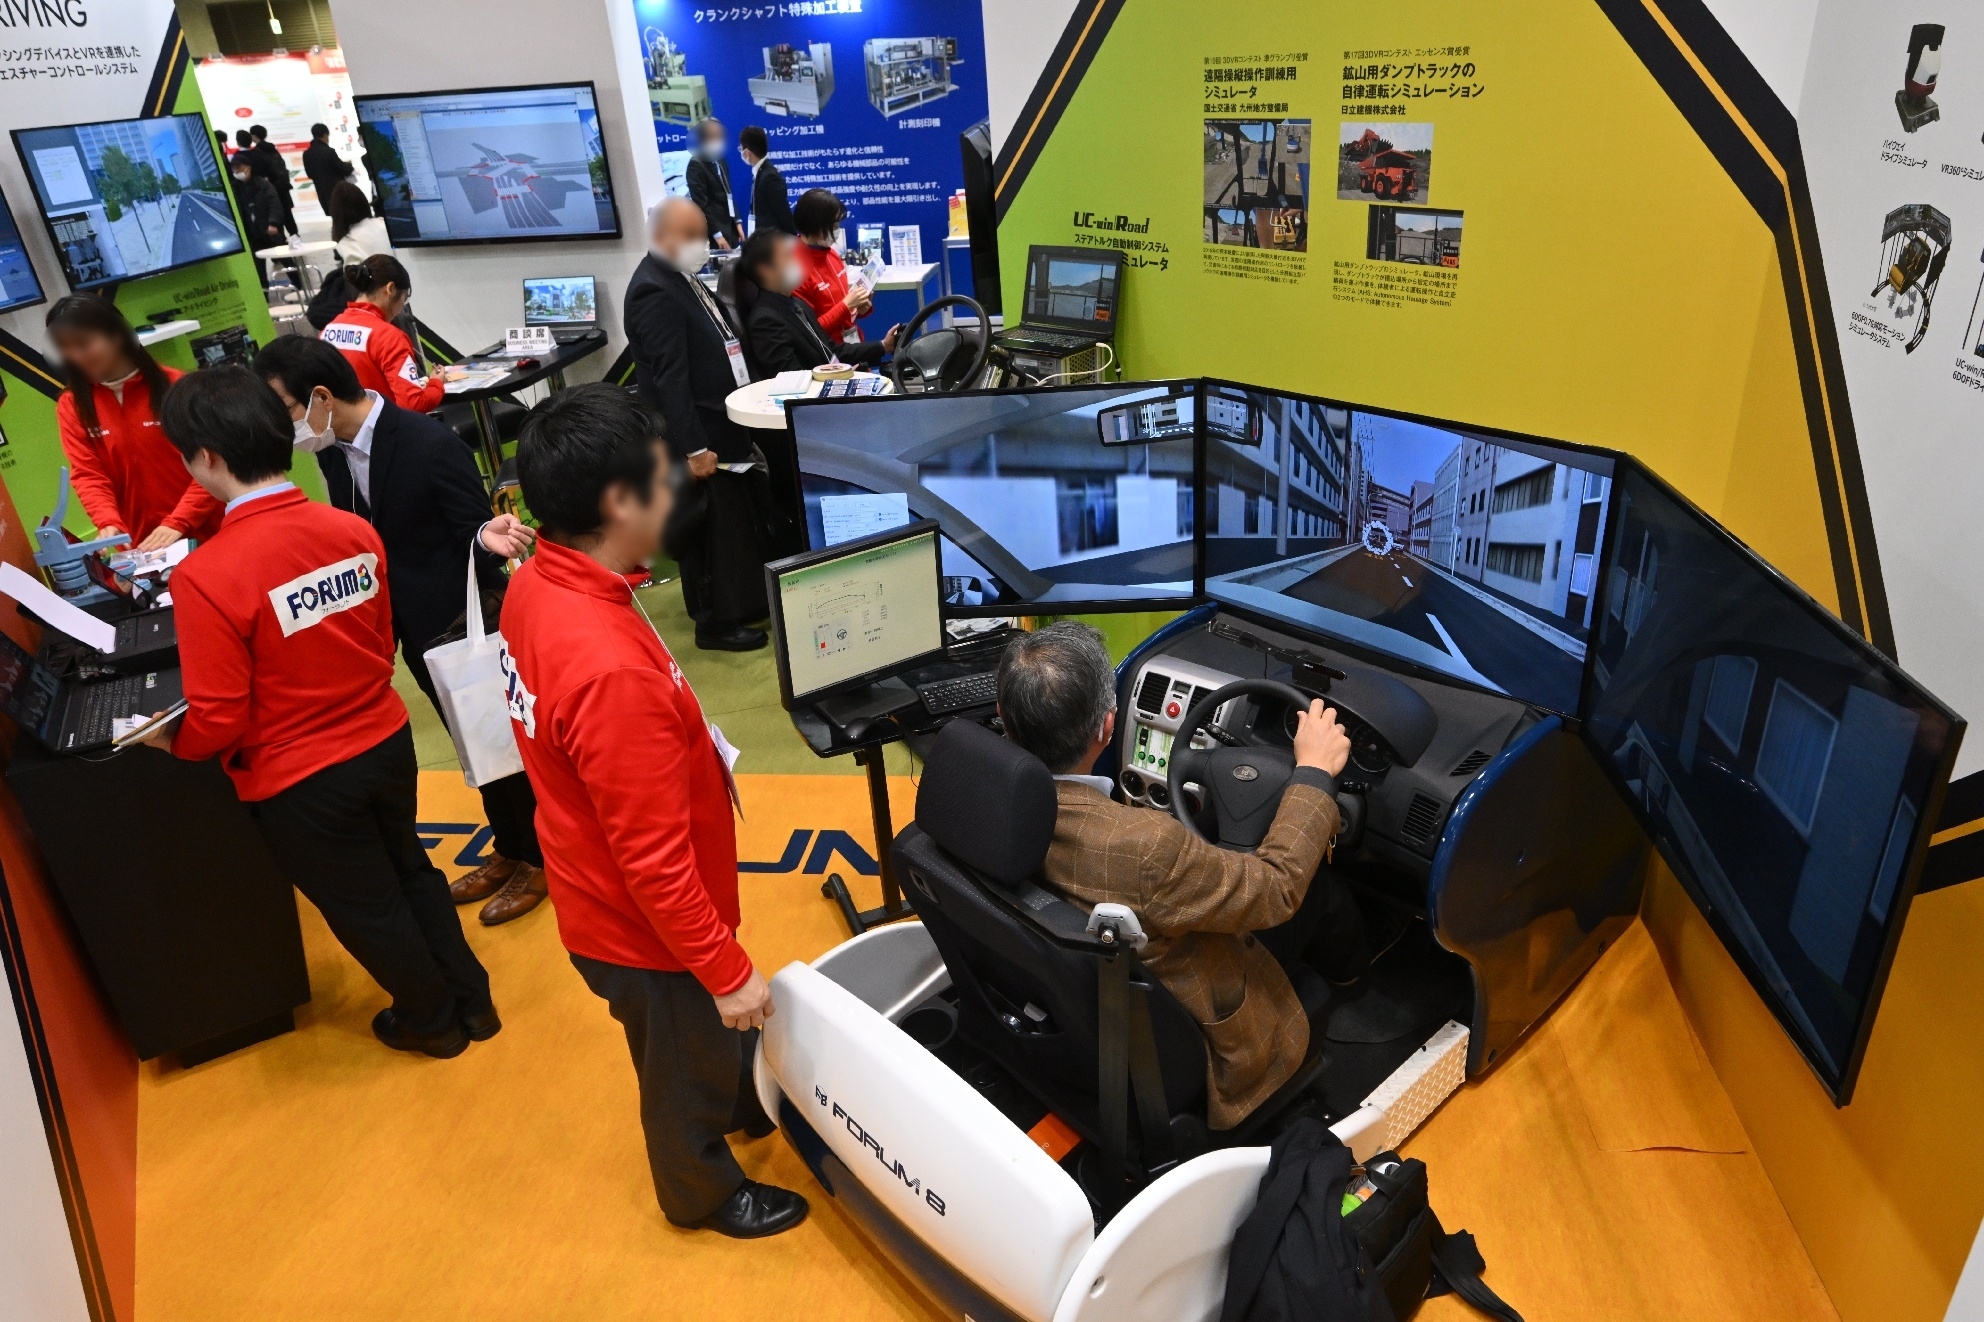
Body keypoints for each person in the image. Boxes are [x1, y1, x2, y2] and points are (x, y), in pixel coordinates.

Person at [504, 382, 806, 1239]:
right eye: (664, 475)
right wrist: (725, 969)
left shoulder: (541, 583)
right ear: (617, 502)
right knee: (681, 1066)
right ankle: (700, 1189)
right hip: (641, 930)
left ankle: (740, 1096)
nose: (677, 487)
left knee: (706, 1043)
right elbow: (655, 865)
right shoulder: (608, 672)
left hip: (596, 877)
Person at [145, 367, 496, 1059]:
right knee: (411, 870)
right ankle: (473, 1002)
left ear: (206, 458)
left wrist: (171, 744)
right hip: (385, 738)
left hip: (299, 776)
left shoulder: (205, 576)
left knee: (366, 904)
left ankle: (431, 1022)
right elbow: (379, 639)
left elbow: (218, 714)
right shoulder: (351, 530)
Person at [996, 622, 1368, 1131]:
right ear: (1109, 726)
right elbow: (1278, 887)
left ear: (1003, 715)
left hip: (1069, 1012)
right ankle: (1354, 981)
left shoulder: (982, 796)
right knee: (1318, 887)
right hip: (1193, 1038)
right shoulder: (1148, 847)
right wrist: (1313, 775)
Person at [253, 335, 549, 925]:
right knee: (473, 749)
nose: (284, 428)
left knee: (504, 747)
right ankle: (512, 846)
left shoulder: (427, 443)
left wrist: (486, 538)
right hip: (413, 632)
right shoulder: (332, 452)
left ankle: (541, 859)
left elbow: (475, 535)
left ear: (320, 397)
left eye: (284, 410)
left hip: (464, 624)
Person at [624, 199, 773, 652]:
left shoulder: (678, 277)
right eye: (690, 236)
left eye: (702, 235)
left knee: (730, 527)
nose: (701, 245)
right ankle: (714, 624)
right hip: (695, 434)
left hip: (720, 422)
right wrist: (692, 448)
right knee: (706, 532)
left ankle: (741, 604)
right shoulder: (653, 290)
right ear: (662, 236)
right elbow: (669, 379)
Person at [47, 295, 220, 550]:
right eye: (64, 348)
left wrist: (179, 521)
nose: (74, 356)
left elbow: (214, 461)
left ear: (116, 336)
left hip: (209, 533)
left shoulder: (178, 386)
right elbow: (88, 474)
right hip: (141, 548)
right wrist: (107, 522)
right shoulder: (72, 405)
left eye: (83, 344)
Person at [734, 227, 896, 377]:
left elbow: (832, 350)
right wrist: (836, 380)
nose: (796, 260)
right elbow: (791, 379)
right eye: (788, 255)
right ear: (765, 270)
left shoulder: (797, 304)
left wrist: (884, 346)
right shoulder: (765, 321)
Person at [320, 255, 449, 414]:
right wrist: (436, 384)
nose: (401, 308)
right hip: (382, 425)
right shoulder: (389, 337)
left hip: (339, 425)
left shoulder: (329, 330)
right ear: (390, 289)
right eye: (404, 298)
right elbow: (413, 404)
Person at [790, 189, 872, 348]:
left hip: (852, 346)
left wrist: (859, 306)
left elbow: (842, 311)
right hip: (828, 353)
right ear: (815, 225)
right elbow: (810, 332)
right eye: (834, 226)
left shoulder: (831, 254)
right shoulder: (795, 271)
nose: (837, 231)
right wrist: (847, 306)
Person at [684, 117, 743, 250]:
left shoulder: (720, 161)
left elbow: (728, 193)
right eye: (713, 136)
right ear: (703, 138)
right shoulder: (696, 165)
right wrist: (717, 234)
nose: (718, 140)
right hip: (714, 234)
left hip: (730, 228)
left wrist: (737, 221)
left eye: (720, 136)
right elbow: (701, 205)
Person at [738, 126, 794, 236]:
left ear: (747, 153)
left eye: (741, 149)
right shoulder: (760, 172)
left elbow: (783, 213)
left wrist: (792, 238)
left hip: (773, 238)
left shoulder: (769, 177)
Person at [247, 124, 297, 235]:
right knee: (288, 215)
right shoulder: (273, 149)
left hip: (269, 189)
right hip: (283, 187)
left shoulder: (256, 152)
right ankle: (296, 238)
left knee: (275, 215)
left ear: (254, 136)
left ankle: (282, 240)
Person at [327, 181, 394, 262]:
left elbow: (353, 268)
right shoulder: (384, 223)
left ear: (336, 212)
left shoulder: (347, 243)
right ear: (363, 202)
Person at [301, 122, 355, 212]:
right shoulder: (328, 152)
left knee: (334, 215)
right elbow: (343, 169)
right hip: (337, 191)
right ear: (325, 135)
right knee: (344, 214)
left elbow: (309, 174)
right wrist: (348, 165)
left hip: (322, 192)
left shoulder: (307, 154)